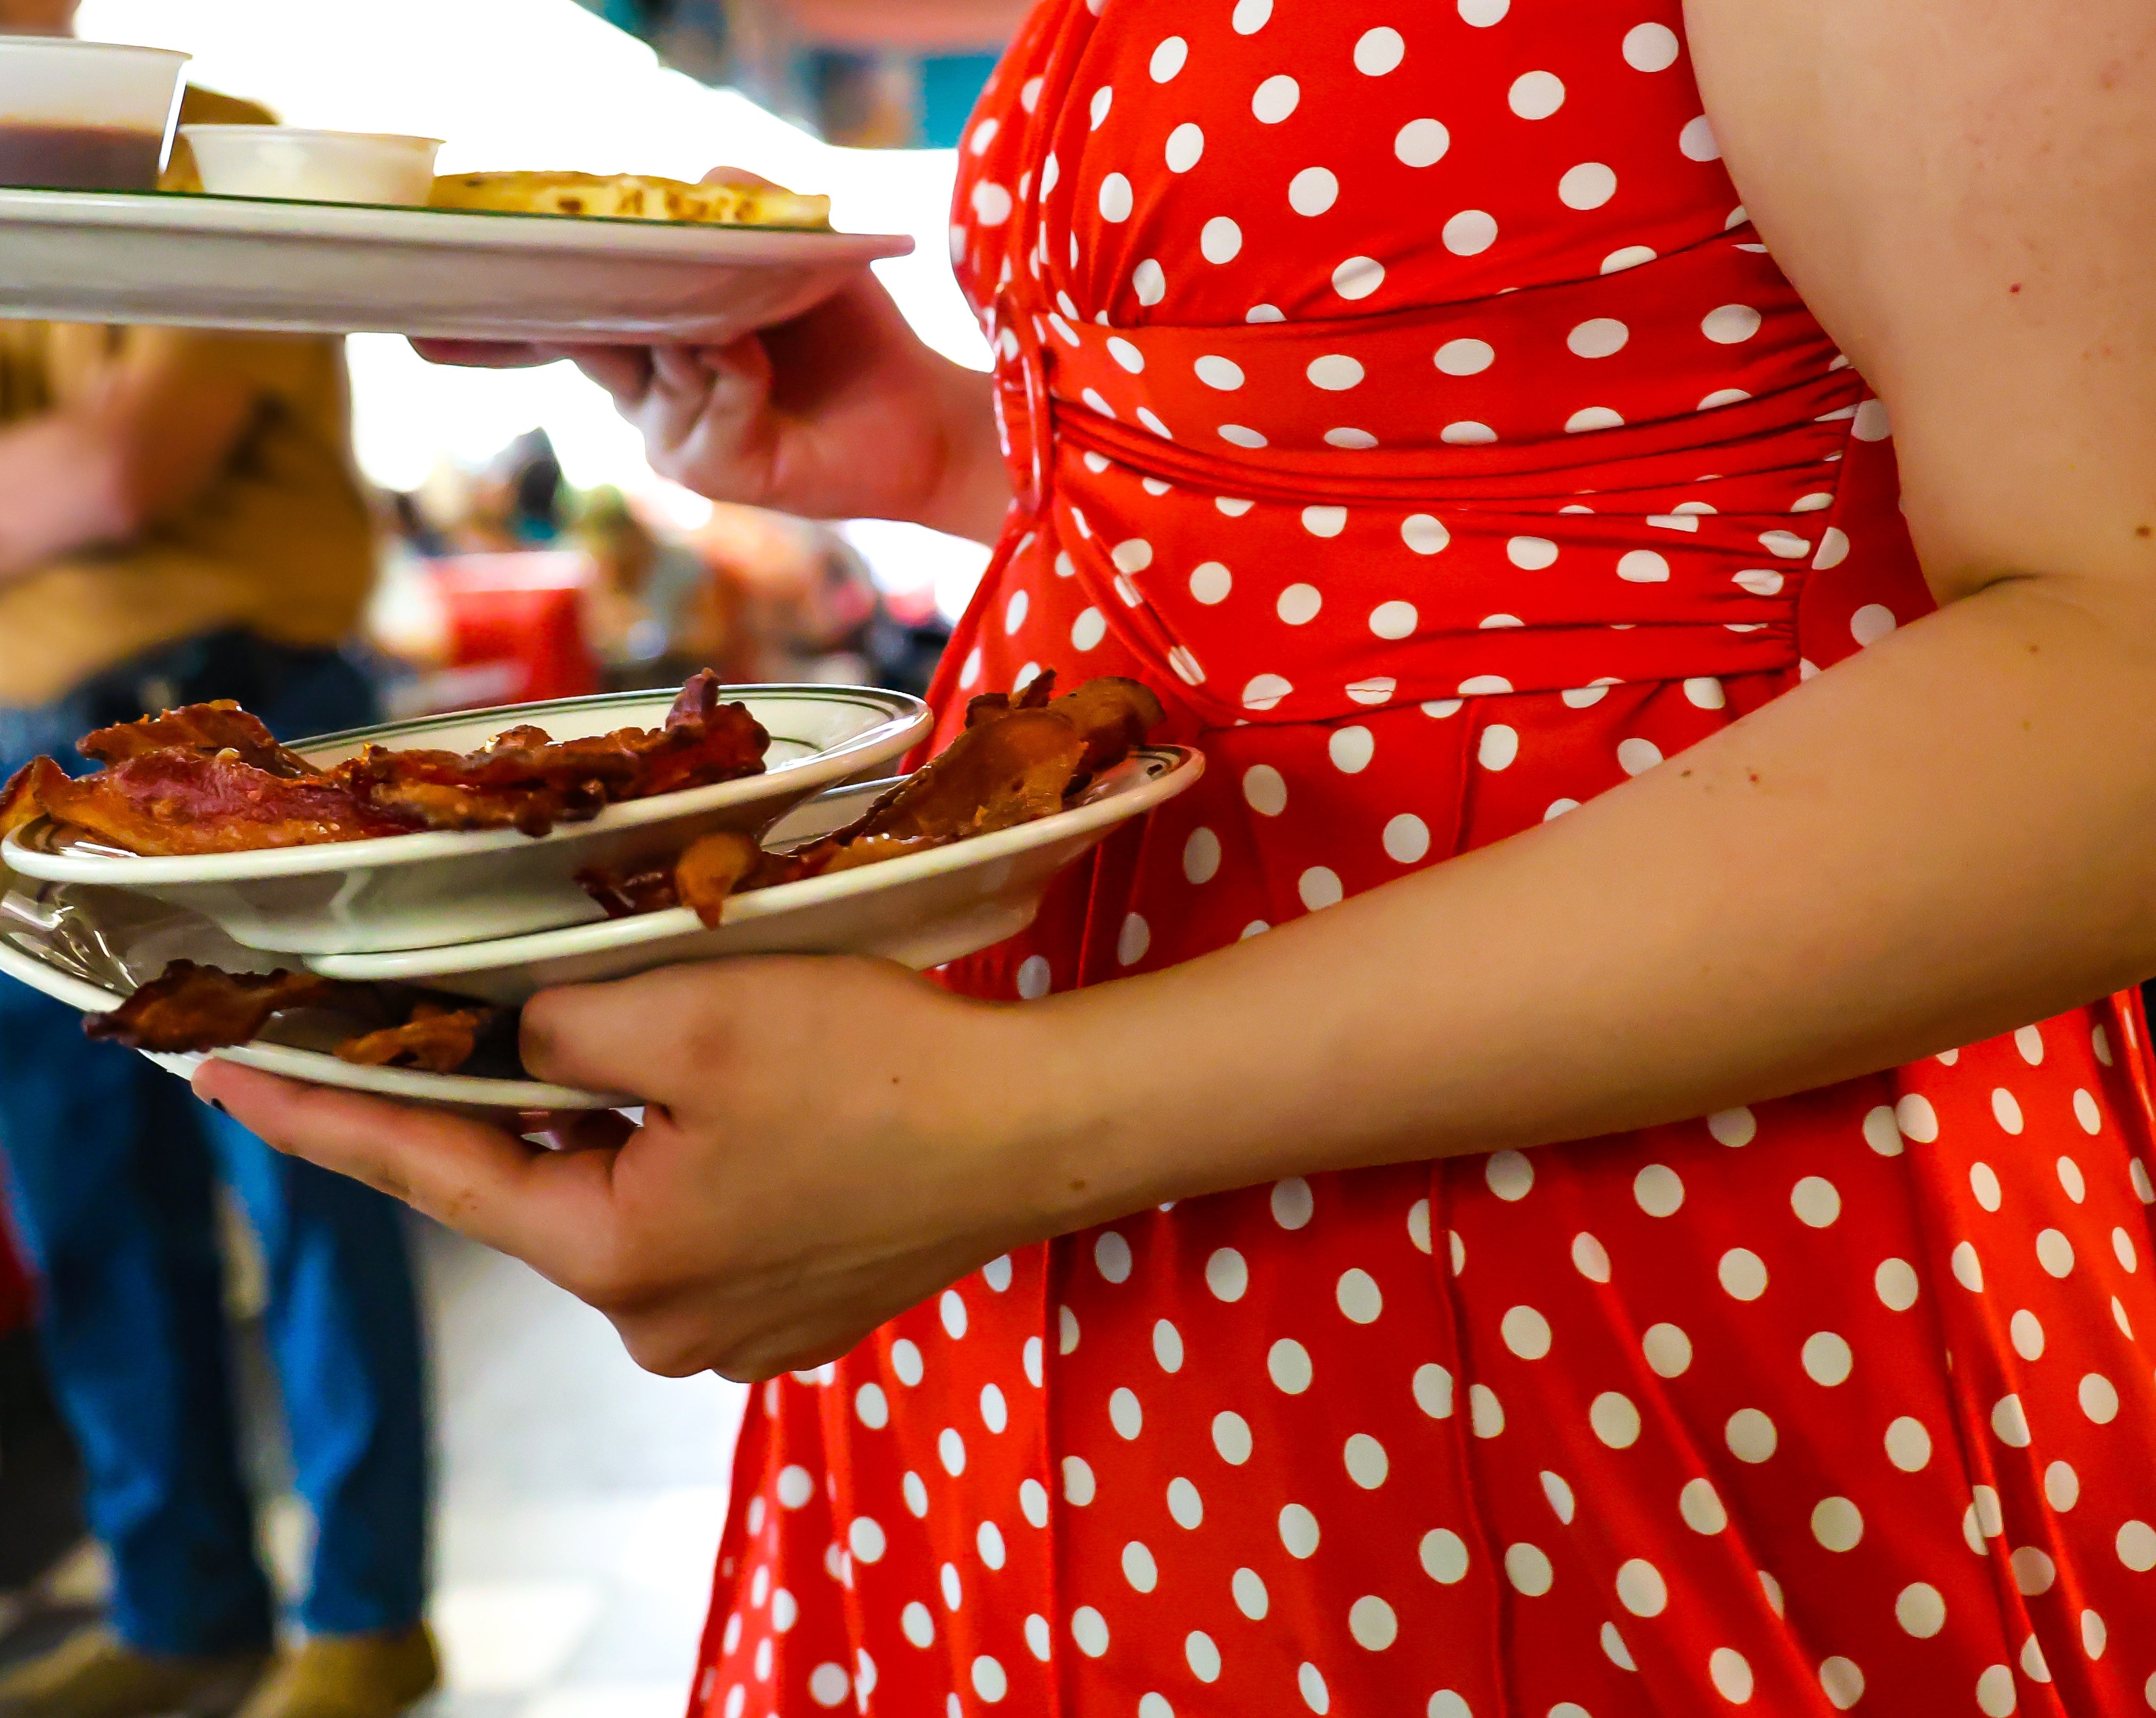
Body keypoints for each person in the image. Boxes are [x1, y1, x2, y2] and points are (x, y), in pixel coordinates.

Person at [206, 0, 2156, 1711]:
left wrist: (1042, 1111)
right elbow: (1459, 502)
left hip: (1584, 1251)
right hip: (1081, 1238)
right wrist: (969, 461)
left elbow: (2118, 689)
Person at [0, 11, 436, 1718]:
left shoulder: (213, 141)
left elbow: (124, 464)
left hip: (234, 723)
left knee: (322, 1163)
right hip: (25, 743)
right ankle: (185, 1612)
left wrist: (71, 477)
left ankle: (367, 1617)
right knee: (91, 1201)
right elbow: (85, 468)